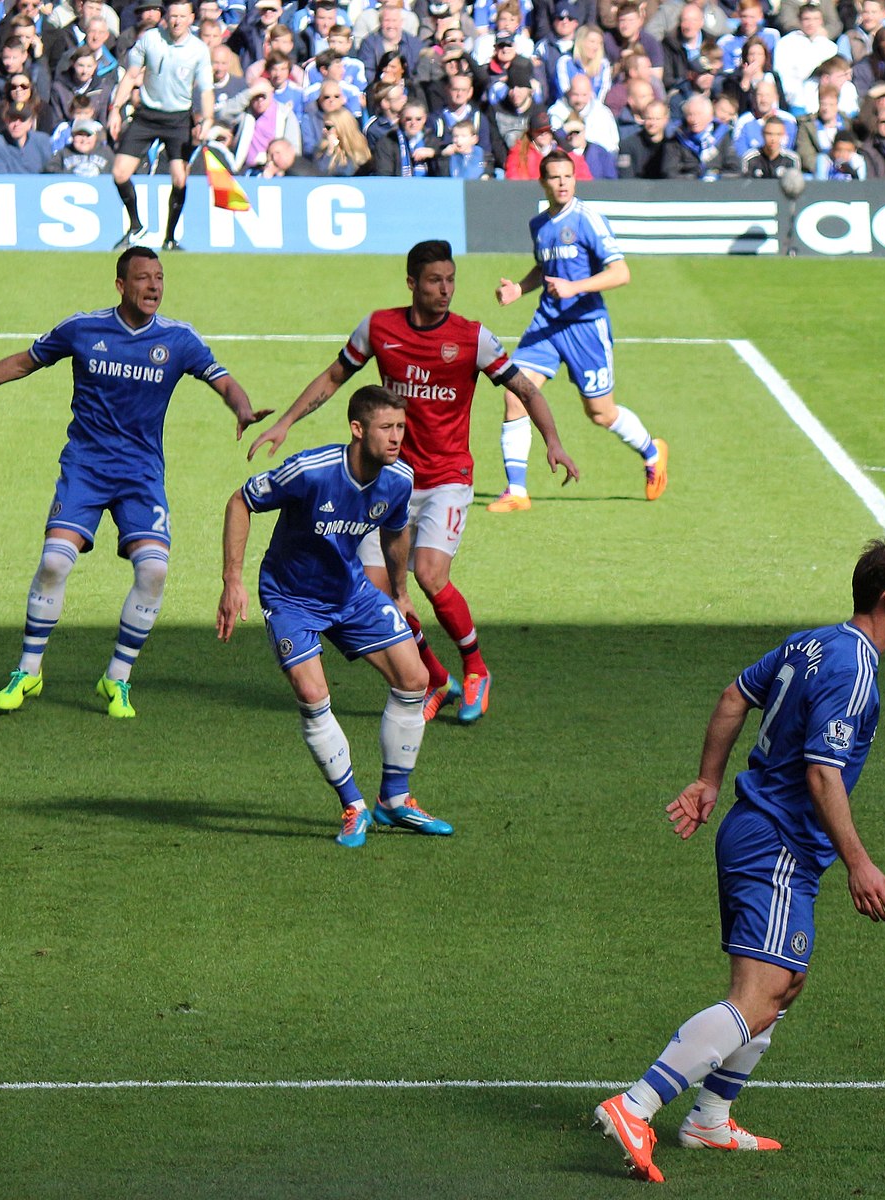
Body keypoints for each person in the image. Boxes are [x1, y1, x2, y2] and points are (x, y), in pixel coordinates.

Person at [594, 536, 885, 1185]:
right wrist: (861, 863)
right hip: (778, 843)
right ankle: (636, 1106)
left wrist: (707, 782)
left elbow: (732, 697)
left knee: (785, 984)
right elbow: (822, 775)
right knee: (758, 995)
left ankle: (710, 1117)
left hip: (760, 833)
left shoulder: (812, 642)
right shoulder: (855, 668)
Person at [0, 247, 268, 720]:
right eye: (143, 278)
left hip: (140, 475)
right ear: (121, 285)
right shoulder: (82, 329)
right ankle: (28, 671)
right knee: (55, 561)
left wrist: (241, 409)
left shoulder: (178, 340)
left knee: (154, 571)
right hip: (86, 467)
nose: (154, 286)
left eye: (159, 277)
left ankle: (117, 677)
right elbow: (22, 363)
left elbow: (223, 381)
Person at [248, 239, 579, 726]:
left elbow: (524, 387)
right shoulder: (380, 327)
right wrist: (286, 422)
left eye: (450, 280)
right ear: (411, 283)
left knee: (428, 573)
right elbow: (335, 376)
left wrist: (553, 440)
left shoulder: (473, 337)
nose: (445, 290)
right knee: (382, 594)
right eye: (434, 281)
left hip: (447, 476)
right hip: (388, 484)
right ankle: (436, 679)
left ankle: (476, 669)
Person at [218, 386, 453, 849]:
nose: (396, 438)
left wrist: (402, 593)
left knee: (415, 677)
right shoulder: (312, 471)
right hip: (291, 597)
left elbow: (395, 531)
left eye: (401, 428)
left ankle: (395, 799)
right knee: (313, 693)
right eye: (387, 428)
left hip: (350, 592)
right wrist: (232, 580)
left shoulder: (398, 478)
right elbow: (240, 502)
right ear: (357, 429)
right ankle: (353, 806)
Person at [491, 149, 664, 515]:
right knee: (515, 394)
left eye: (567, 176)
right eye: (554, 177)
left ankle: (652, 451)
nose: (562, 183)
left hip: (586, 328)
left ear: (575, 178)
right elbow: (544, 267)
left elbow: (621, 273)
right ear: (543, 182)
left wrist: (575, 287)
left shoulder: (588, 220)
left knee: (600, 413)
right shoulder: (539, 224)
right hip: (547, 324)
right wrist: (519, 289)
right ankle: (517, 491)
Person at [108, 0, 214, 252]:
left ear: (191, 18)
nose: (176, 21)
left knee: (179, 178)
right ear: (166, 17)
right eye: (173, 15)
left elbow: (206, 89)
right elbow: (131, 75)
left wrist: (207, 119)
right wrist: (115, 109)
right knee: (120, 173)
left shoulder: (198, 50)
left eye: (182, 16)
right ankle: (136, 225)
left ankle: (169, 238)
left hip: (178, 118)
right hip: (147, 115)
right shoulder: (150, 39)